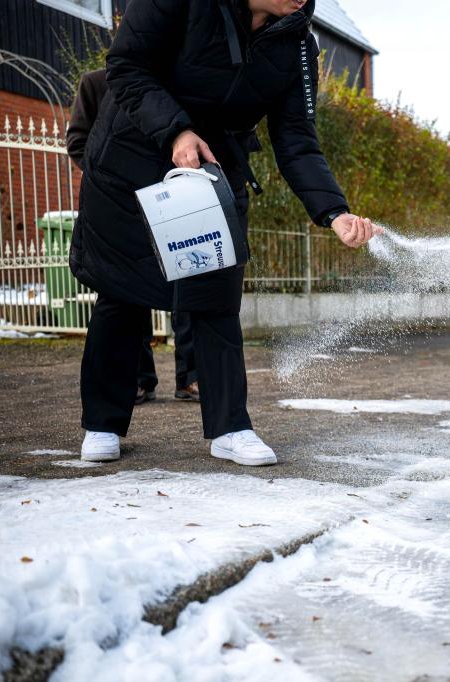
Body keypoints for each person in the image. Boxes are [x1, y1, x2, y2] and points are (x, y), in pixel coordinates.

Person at [69, 0, 379, 466]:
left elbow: (296, 138)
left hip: (213, 167)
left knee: (216, 294)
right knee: (123, 291)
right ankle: (103, 422)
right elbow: (127, 67)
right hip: (129, 155)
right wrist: (176, 132)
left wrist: (334, 213)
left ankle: (231, 427)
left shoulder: (297, 44)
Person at [66, 68, 200, 407]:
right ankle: (139, 379)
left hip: (172, 198)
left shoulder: (174, 79)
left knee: (186, 279)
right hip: (120, 203)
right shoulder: (97, 83)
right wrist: (109, 179)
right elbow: (78, 141)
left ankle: (192, 377)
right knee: (125, 291)